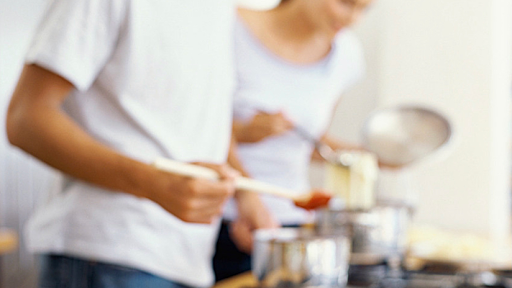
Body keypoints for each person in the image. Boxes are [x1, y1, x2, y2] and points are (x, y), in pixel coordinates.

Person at [5, 0, 275, 287]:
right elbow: (25, 118)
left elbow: (200, 120)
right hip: (110, 254)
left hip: (185, 258)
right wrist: (153, 184)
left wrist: (245, 193)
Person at [213, 0, 373, 281]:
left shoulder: (346, 55)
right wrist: (246, 193)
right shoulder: (226, 28)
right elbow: (197, 124)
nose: (354, 19)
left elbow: (310, 142)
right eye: (346, 3)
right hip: (221, 216)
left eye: (365, 9)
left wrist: (372, 156)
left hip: (292, 220)